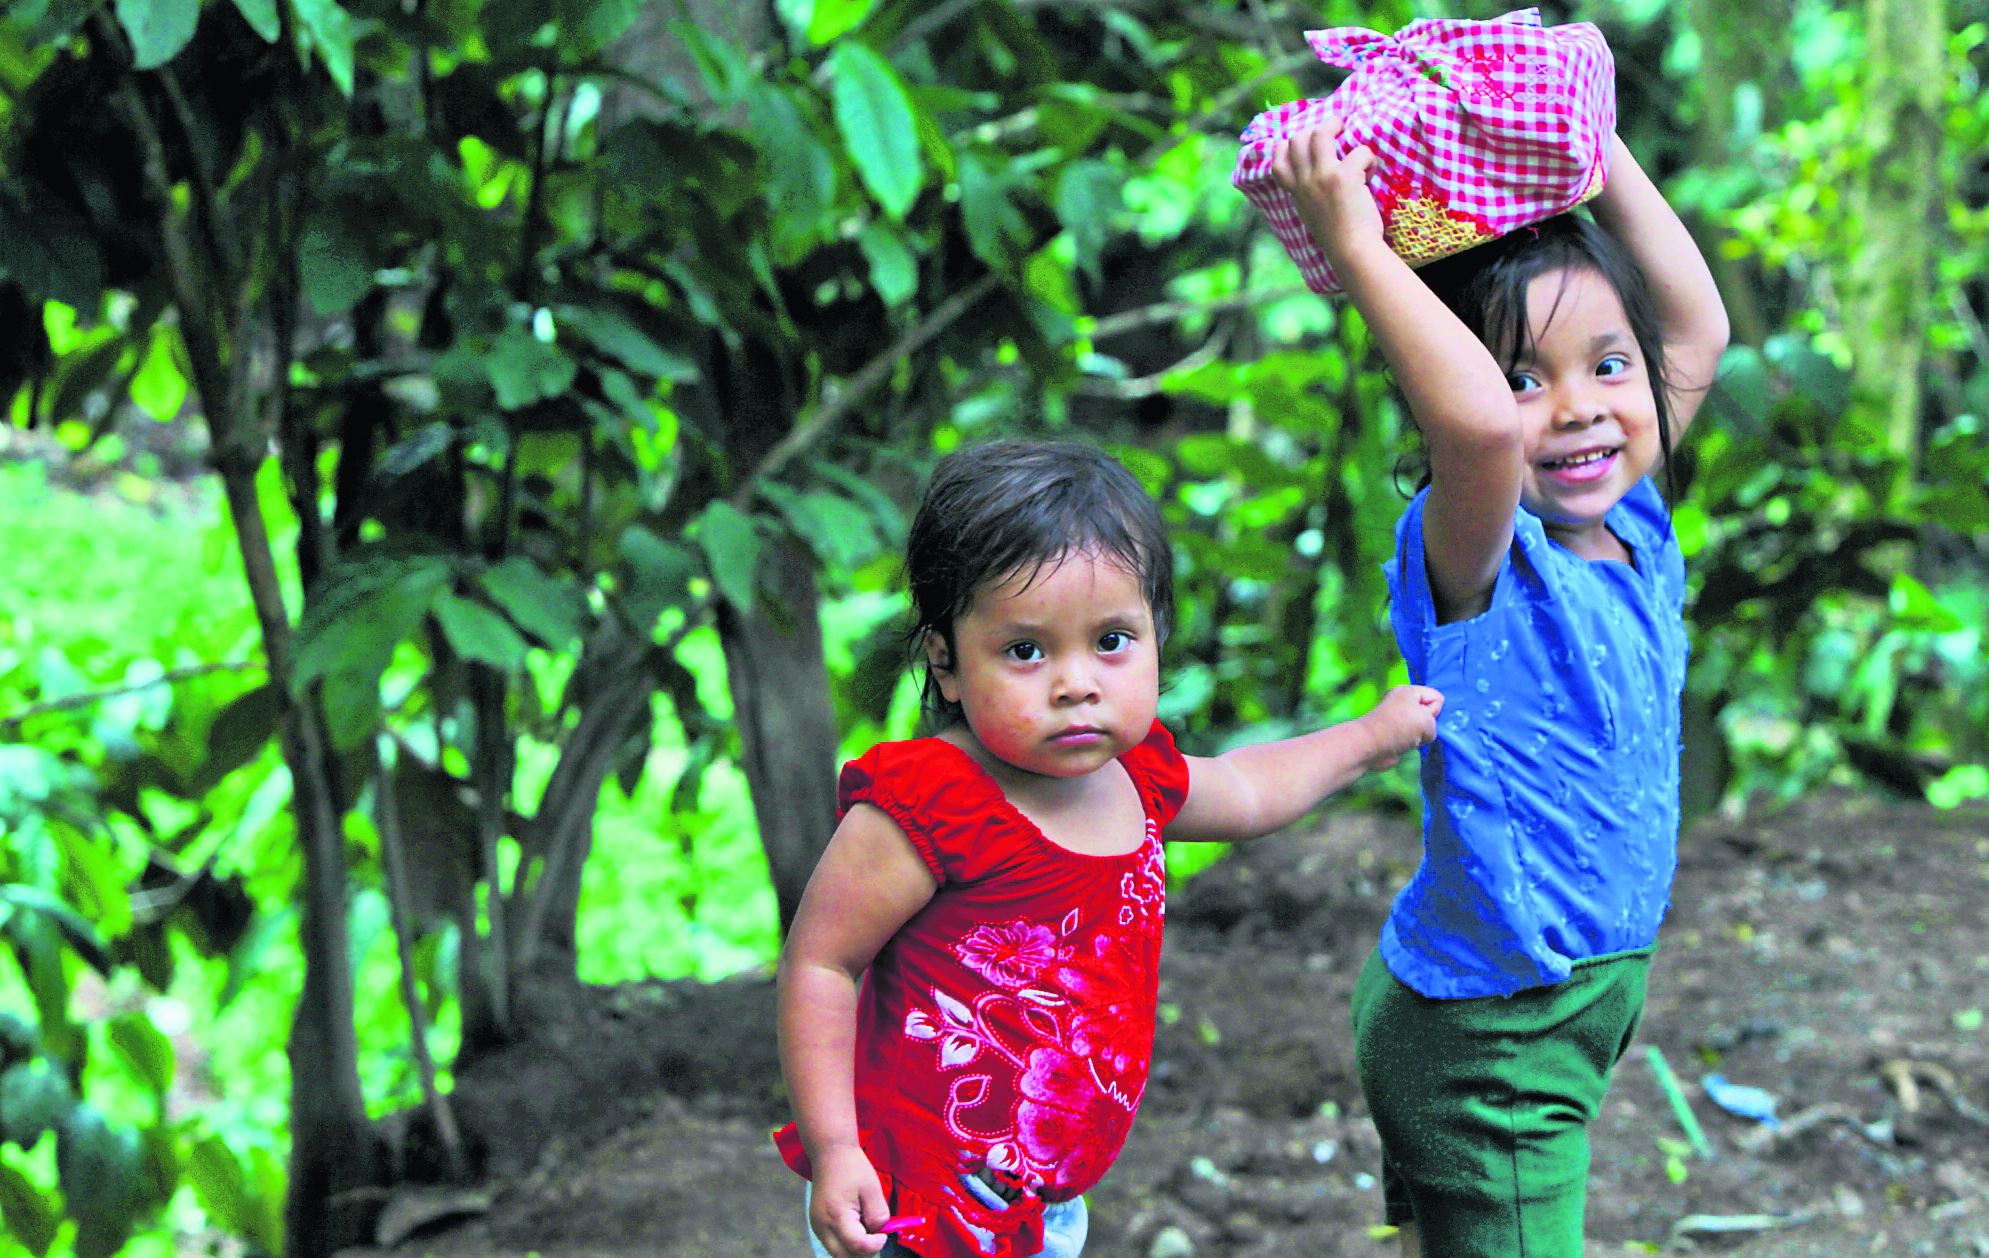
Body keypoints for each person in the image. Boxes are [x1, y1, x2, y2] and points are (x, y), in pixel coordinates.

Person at [775, 440, 1443, 1258]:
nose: (1076, 683)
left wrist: (1369, 740)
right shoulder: (932, 805)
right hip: (913, 1202)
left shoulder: (1138, 776)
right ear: (945, 664)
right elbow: (821, 964)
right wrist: (835, 1148)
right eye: (1025, 651)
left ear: (1155, 635)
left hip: (1043, 1206)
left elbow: (1247, 789)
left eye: (1111, 640)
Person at [1270, 125, 1730, 1258]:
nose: (1575, 408)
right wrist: (1357, 246)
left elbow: (1698, 328)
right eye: (1524, 377)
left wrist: (1591, 145)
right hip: (1494, 1037)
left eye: (1607, 365)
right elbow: (1477, 432)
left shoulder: (1631, 516)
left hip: (1544, 1008)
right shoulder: (1481, 551)